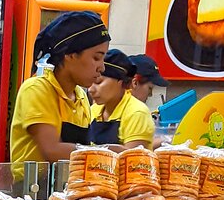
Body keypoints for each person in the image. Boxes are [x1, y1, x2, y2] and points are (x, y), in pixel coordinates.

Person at [9, 11, 111, 181]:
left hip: (70, 190)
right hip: (32, 194)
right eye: (96, 58)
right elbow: (51, 150)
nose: (102, 68)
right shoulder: (36, 89)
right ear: (70, 55)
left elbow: (80, 151)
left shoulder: (81, 97)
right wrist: (105, 152)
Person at [87, 49, 155, 151]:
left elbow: (132, 160)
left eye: (98, 82)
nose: (90, 89)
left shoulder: (137, 113)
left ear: (121, 82)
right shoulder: (94, 110)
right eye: (90, 82)